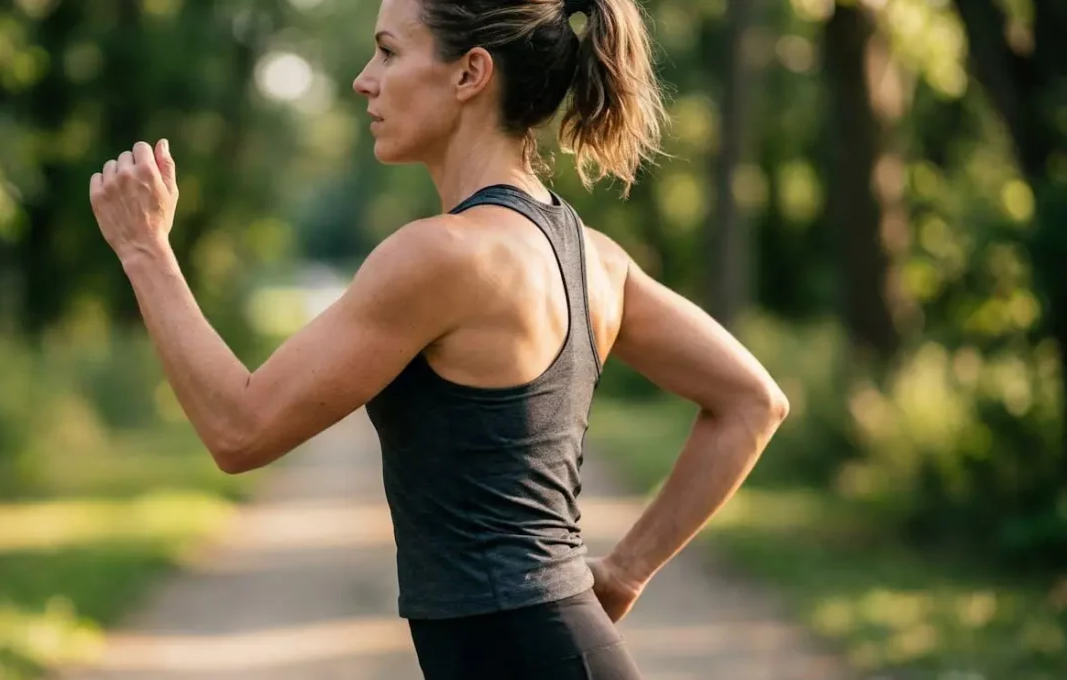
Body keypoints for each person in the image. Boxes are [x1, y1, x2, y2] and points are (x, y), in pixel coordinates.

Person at [88, 0, 789, 676]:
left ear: (469, 74)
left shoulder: (441, 256)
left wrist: (146, 252)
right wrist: (622, 576)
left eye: (389, 51)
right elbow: (752, 402)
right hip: (553, 643)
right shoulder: (593, 257)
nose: (364, 78)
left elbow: (239, 428)